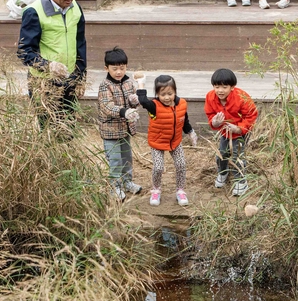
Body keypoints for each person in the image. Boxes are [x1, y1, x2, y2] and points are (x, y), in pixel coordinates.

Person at [18, 0, 87, 124]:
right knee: (49, 129)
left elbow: (80, 43)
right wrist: (48, 66)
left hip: (70, 79)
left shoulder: (75, 8)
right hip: (44, 83)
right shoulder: (34, 12)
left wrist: (81, 77)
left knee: (68, 128)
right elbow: (24, 51)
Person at [134, 73, 197, 207]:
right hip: (157, 142)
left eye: (170, 93)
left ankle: (180, 190)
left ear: (175, 92)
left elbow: (184, 120)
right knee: (158, 167)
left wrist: (190, 132)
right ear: (157, 94)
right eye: (163, 95)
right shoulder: (154, 106)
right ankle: (156, 190)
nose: (167, 97)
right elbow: (143, 101)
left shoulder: (182, 104)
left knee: (181, 165)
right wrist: (141, 83)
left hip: (175, 141)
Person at [204, 68, 258, 197]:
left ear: (232, 87)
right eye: (217, 87)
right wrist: (215, 122)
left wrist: (239, 128)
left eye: (224, 87)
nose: (220, 90)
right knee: (222, 154)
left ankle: (241, 181)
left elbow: (252, 115)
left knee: (237, 157)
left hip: (240, 132)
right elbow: (210, 114)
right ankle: (223, 172)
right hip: (225, 131)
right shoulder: (210, 97)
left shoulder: (241, 97)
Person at [97, 47, 142, 200]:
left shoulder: (129, 83)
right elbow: (107, 106)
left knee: (126, 157)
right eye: (114, 68)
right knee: (115, 160)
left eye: (122, 68)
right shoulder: (105, 85)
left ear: (126, 67)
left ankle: (127, 181)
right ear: (106, 68)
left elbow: (133, 102)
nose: (118, 72)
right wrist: (124, 112)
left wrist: (135, 102)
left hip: (125, 129)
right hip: (110, 130)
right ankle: (114, 187)